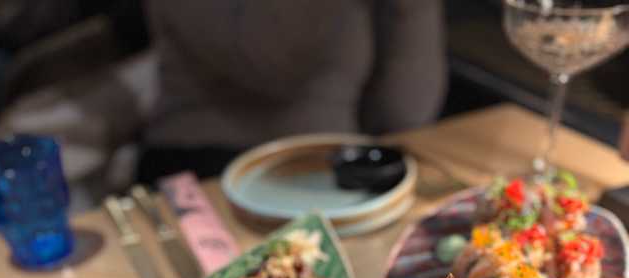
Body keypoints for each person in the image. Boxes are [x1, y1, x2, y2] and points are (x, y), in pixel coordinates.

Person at [138, 0, 447, 183]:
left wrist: (410, 8)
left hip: (337, 172)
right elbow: (270, 68)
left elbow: (404, 115)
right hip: (205, 168)